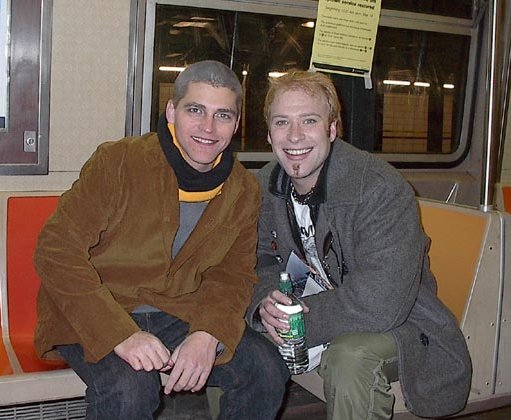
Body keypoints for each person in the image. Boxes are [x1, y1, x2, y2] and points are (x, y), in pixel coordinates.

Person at [34, 60, 289, 419]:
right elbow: (56, 250)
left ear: (235, 125)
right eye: (195, 110)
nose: (208, 128)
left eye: (223, 115)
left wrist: (208, 333)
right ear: (171, 111)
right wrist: (119, 334)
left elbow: (232, 276)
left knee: (266, 372)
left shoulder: (243, 190)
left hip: (177, 311)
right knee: (130, 389)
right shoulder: (119, 161)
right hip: (98, 307)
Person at [247, 70, 472, 420]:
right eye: (282, 122)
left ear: (332, 129)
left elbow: (381, 304)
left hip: (404, 321)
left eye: (309, 120)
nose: (294, 135)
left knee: (350, 358)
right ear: (268, 133)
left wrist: (297, 321)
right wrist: (267, 303)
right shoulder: (267, 184)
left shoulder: (379, 190)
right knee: (236, 341)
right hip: (321, 304)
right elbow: (260, 257)